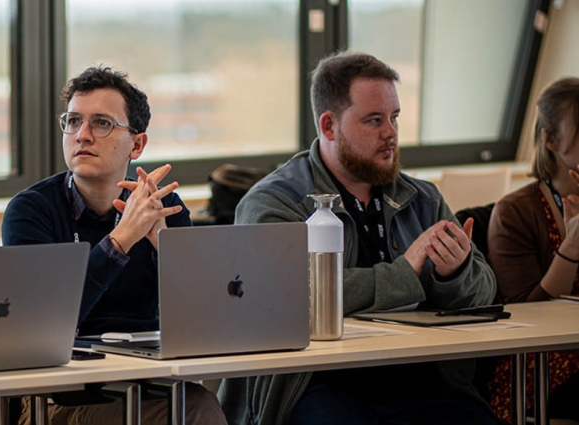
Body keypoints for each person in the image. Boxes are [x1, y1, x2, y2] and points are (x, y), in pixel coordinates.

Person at [219, 51, 497, 425]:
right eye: (374, 120)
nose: (391, 133)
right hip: (316, 387)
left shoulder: (423, 198)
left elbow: (485, 293)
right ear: (329, 126)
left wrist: (455, 273)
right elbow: (281, 296)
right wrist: (406, 273)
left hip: (421, 382)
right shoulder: (274, 202)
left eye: (394, 117)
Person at [1, 66, 226, 425]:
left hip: (146, 382)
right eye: (73, 121)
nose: (83, 135)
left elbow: (206, 323)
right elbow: (43, 322)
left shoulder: (163, 207)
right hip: (56, 396)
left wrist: (167, 251)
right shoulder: (31, 211)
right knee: (194, 411)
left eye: (101, 123)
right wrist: (120, 242)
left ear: (137, 144)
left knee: (195, 402)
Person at [487, 76, 579, 423]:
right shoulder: (514, 212)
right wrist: (571, 247)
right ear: (551, 139)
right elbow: (527, 313)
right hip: (540, 365)